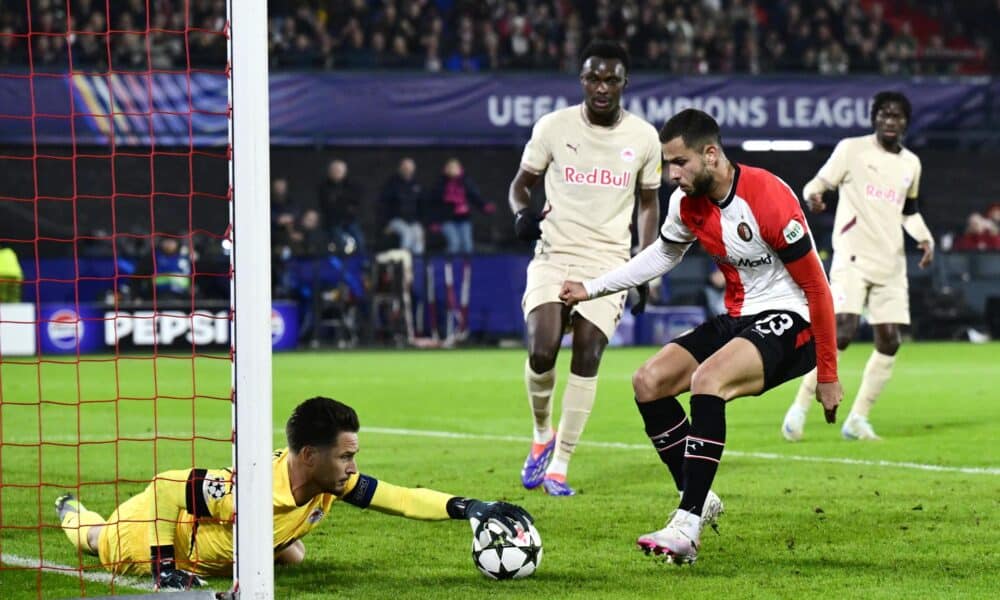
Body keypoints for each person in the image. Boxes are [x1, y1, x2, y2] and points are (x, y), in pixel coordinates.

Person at [559, 109, 842, 563]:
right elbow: (659, 257)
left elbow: (817, 289)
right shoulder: (686, 204)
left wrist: (828, 373)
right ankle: (698, 496)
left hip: (794, 319)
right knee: (648, 382)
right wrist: (592, 288)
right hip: (737, 316)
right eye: (667, 166)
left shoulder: (767, 197)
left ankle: (688, 523)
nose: (672, 175)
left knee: (708, 380)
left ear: (710, 154)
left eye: (679, 163)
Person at [55, 396, 534, 590]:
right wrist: (165, 569)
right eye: (345, 456)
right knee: (97, 539)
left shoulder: (332, 481)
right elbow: (162, 488)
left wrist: (472, 507)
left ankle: (276, 545)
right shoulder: (247, 491)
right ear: (309, 455)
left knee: (293, 553)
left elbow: (402, 498)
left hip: (227, 541)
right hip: (148, 533)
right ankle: (71, 512)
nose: (353, 467)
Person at [509, 40, 662, 496]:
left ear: (624, 83)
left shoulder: (644, 137)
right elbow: (521, 185)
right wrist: (521, 214)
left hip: (608, 261)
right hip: (555, 253)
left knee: (589, 352)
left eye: (610, 79)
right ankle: (541, 436)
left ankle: (560, 465)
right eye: (593, 78)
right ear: (582, 80)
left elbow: (649, 205)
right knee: (542, 349)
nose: (601, 87)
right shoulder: (554, 127)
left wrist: (644, 269)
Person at [781, 91, 934, 442]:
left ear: (905, 123)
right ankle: (800, 407)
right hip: (852, 255)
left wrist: (925, 239)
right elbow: (817, 184)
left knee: (890, 341)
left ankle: (857, 419)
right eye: (883, 115)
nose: (889, 121)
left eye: (896, 116)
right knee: (843, 333)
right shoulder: (852, 149)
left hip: (891, 262)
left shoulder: (911, 163)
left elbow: (908, 212)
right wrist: (813, 195)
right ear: (874, 119)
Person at [429, 157, 494, 255]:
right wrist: (433, 222)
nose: (453, 170)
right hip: (446, 219)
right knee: (454, 244)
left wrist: (484, 206)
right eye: (450, 168)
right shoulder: (440, 183)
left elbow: (474, 196)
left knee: (467, 245)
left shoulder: (465, 182)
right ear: (446, 169)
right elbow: (434, 204)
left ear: (460, 169)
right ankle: (449, 267)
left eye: (455, 168)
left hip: (463, 219)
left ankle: (467, 268)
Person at [317, 159, 366, 255]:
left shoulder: (351, 185)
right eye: (334, 170)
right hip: (332, 222)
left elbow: (355, 203)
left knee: (360, 241)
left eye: (339, 170)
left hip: (349, 220)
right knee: (341, 243)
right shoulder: (324, 187)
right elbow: (327, 206)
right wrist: (343, 205)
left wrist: (342, 204)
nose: (337, 172)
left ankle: (362, 265)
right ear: (330, 172)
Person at [380, 157, 425, 255]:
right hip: (396, 220)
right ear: (400, 168)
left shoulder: (417, 185)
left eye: (409, 168)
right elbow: (384, 205)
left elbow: (422, 207)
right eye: (405, 167)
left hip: (413, 220)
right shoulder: (392, 184)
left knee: (418, 236)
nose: (407, 170)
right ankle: (404, 263)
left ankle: (417, 265)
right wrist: (385, 224)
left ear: (413, 169)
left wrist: (422, 224)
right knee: (407, 234)